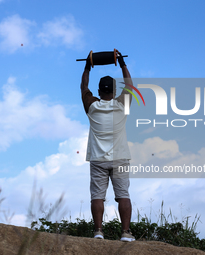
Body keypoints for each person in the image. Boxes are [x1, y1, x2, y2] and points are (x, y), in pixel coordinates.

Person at [80, 50, 135, 242]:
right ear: (114, 90)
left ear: (99, 90)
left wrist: (88, 65)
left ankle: (98, 231)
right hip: (120, 157)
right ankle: (126, 233)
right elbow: (130, 86)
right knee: (123, 195)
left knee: (97, 196)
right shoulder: (121, 105)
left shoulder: (92, 107)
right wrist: (122, 64)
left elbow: (83, 86)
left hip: (97, 159)